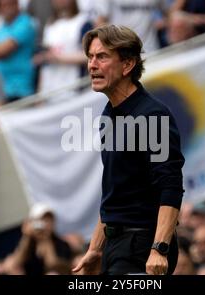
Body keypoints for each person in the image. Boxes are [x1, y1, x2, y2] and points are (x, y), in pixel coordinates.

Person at [73, 25, 185, 275]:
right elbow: (117, 192)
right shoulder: (108, 114)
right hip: (116, 247)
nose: (92, 65)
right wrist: (95, 248)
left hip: (142, 247)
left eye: (102, 57)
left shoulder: (153, 115)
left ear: (127, 65)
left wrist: (159, 249)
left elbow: (171, 186)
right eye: (90, 57)